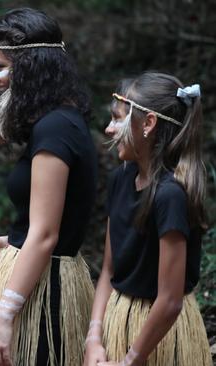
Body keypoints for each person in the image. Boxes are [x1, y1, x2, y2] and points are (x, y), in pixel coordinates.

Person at [0, 8, 97, 366]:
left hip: (44, 292)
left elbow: (46, 235)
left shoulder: (56, 129)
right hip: (41, 277)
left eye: (1, 66)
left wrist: (3, 318)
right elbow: (45, 226)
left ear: (31, 67)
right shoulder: (55, 120)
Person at [83, 72, 211, 366]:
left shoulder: (170, 196)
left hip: (159, 338)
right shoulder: (120, 179)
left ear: (149, 124)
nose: (108, 129)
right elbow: (108, 269)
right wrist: (94, 339)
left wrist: (131, 360)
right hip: (119, 320)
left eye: (117, 119)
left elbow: (169, 300)